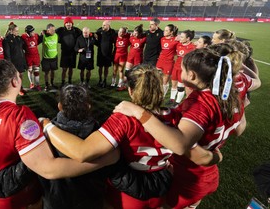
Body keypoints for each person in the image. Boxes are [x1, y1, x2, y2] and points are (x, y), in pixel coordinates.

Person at [0, 59, 118, 209]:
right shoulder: (20, 117)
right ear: (14, 81)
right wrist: (101, 161)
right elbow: (48, 169)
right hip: (11, 197)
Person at [42, 64, 221, 209]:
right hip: (160, 186)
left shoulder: (123, 119)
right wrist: (216, 155)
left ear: (131, 91)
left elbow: (83, 152)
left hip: (128, 191)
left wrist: (47, 125)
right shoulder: (177, 117)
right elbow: (191, 149)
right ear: (162, 89)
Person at [114, 48, 246, 208]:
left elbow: (180, 146)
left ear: (191, 75)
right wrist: (216, 157)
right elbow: (240, 129)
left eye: (182, 69)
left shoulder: (199, 103)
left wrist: (138, 111)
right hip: (207, 174)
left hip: (188, 177)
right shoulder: (231, 95)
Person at [168, 30, 196, 107]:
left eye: (182, 37)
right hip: (176, 67)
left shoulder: (193, 47)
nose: (180, 38)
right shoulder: (178, 44)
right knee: (173, 85)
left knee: (180, 87)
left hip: (184, 70)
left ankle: (177, 102)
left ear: (188, 38)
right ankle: (172, 99)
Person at [56, 16, 82, 86]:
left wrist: (92, 34)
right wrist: (44, 31)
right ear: (64, 24)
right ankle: (63, 82)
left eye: (70, 23)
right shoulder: (61, 30)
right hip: (64, 53)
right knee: (64, 69)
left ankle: (70, 81)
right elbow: (51, 31)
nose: (68, 24)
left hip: (73, 53)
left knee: (71, 69)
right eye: (66, 23)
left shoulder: (76, 30)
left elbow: (84, 33)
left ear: (72, 23)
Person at [3, 22, 27, 95]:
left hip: (20, 60)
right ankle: (14, 89)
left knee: (21, 75)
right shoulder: (7, 40)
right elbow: (7, 53)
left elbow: (23, 48)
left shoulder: (19, 38)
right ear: (11, 31)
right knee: (14, 76)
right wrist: (9, 63)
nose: (17, 32)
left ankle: (20, 87)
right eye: (16, 31)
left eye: (18, 31)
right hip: (13, 61)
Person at [156, 24, 179, 97]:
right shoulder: (162, 39)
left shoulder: (176, 40)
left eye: (166, 30)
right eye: (164, 30)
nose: (164, 32)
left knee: (165, 81)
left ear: (171, 32)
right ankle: (157, 92)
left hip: (168, 63)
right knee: (157, 77)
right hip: (160, 61)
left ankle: (162, 96)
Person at [95, 20, 116, 88]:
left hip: (108, 53)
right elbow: (95, 37)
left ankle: (105, 80)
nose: (102, 26)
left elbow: (115, 41)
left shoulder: (112, 32)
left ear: (108, 25)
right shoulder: (99, 31)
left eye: (104, 25)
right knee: (100, 67)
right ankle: (100, 79)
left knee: (106, 67)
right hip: (100, 52)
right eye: (102, 25)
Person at [21, 25, 42, 91]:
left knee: (36, 71)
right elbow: (22, 45)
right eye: (32, 31)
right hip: (28, 57)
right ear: (28, 32)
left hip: (36, 56)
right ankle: (31, 83)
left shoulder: (36, 36)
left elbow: (38, 42)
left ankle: (37, 85)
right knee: (30, 70)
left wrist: (42, 34)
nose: (33, 32)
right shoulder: (23, 37)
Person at [41, 23, 59, 91]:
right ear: (48, 30)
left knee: (53, 71)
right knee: (46, 73)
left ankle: (52, 83)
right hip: (46, 58)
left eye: (54, 30)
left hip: (54, 58)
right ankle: (46, 85)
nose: (54, 31)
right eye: (52, 30)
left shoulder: (56, 35)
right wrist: (43, 32)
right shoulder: (44, 36)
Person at [111, 26, 130, 90]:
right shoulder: (115, 37)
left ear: (124, 33)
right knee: (114, 70)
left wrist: (127, 32)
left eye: (122, 32)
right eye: (119, 31)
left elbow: (131, 35)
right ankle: (113, 82)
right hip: (116, 56)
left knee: (121, 70)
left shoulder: (127, 38)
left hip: (123, 56)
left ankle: (120, 84)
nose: (120, 33)